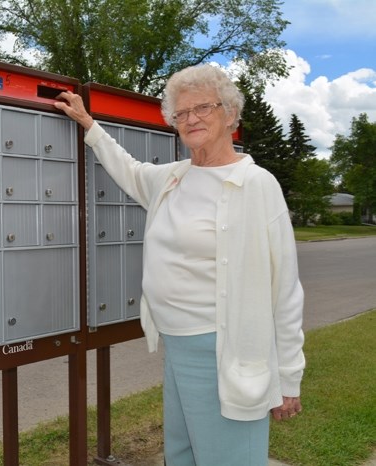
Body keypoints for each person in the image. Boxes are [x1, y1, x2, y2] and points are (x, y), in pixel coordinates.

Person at [55, 65, 305, 465]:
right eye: (181, 113)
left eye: (202, 108)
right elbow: (129, 170)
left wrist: (289, 376)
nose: (190, 119)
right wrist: (89, 124)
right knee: (182, 455)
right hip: (176, 344)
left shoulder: (256, 185)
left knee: (228, 458)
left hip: (221, 352)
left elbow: (286, 289)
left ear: (230, 115)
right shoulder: (173, 178)